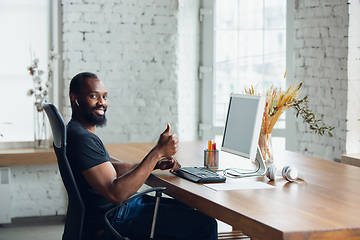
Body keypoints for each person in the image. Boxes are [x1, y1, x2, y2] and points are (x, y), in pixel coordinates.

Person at [66, 72, 218, 240]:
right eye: (94, 96)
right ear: (75, 98)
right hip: (113, 217)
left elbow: (109, 168)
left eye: (104, 97)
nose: (102, 103)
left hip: (113, 212)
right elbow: (117, 194)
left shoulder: (76, 132)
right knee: (206, 224)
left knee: (189, 211)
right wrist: (157, 152)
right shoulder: (83, 139)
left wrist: (155, 164)